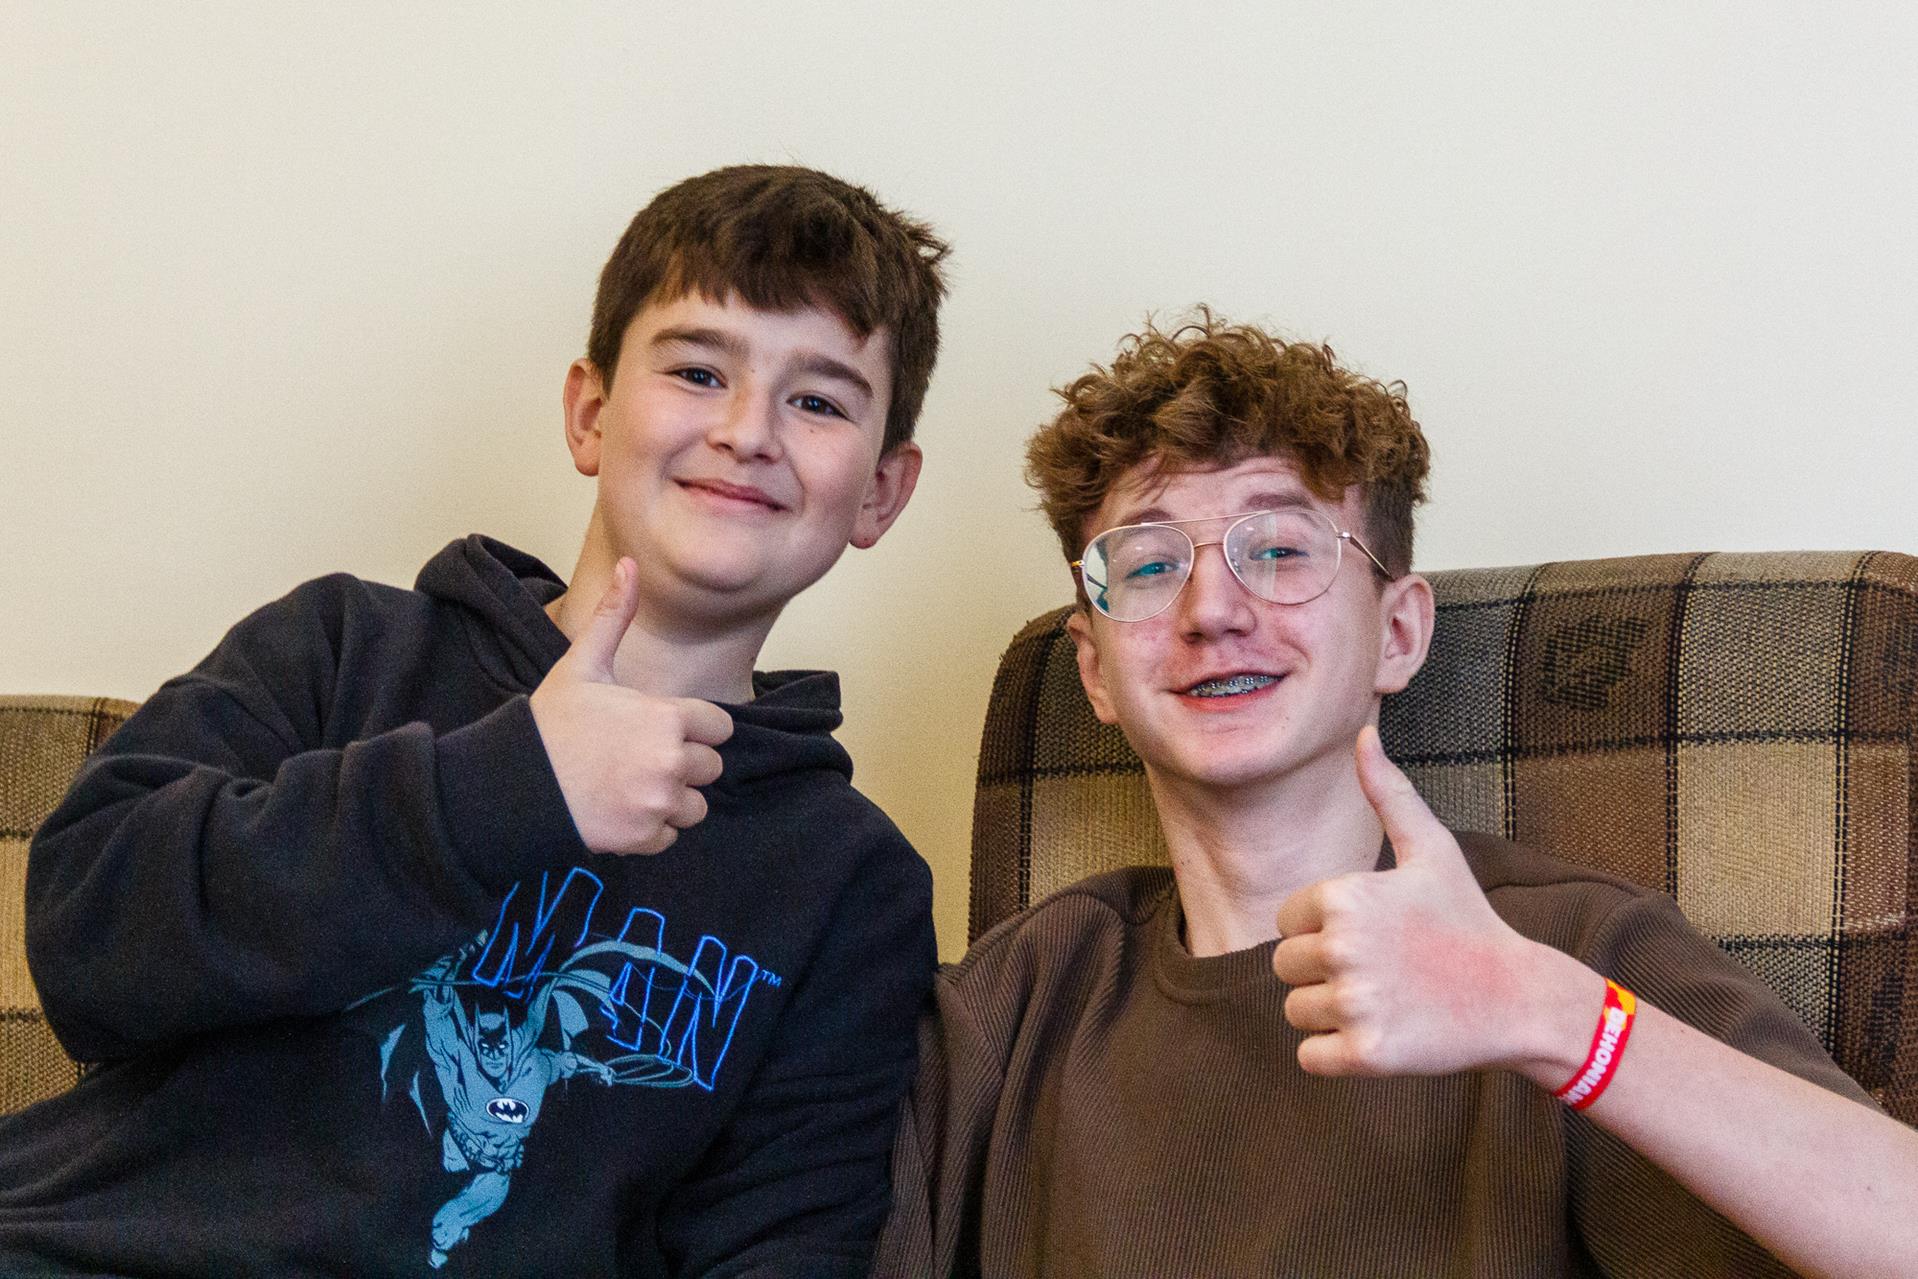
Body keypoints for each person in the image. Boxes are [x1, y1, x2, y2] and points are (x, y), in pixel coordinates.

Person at [3, 164, 949, 1277]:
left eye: (819, 401)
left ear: (881, 491)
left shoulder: (851, 885)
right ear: (591, 414)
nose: (748, 431)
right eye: (699, 371)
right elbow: (86, 939)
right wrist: (503, 790)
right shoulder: (344, 647)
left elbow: (780, 1241)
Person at [875, 313, 1918, 1277]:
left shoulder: (1567, 949)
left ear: (1400, 631)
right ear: (1095, 670)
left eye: (1278, 550)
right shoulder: (1016, 1002)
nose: (1210, 610)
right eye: (1146, 566)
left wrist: (1546, 1015)